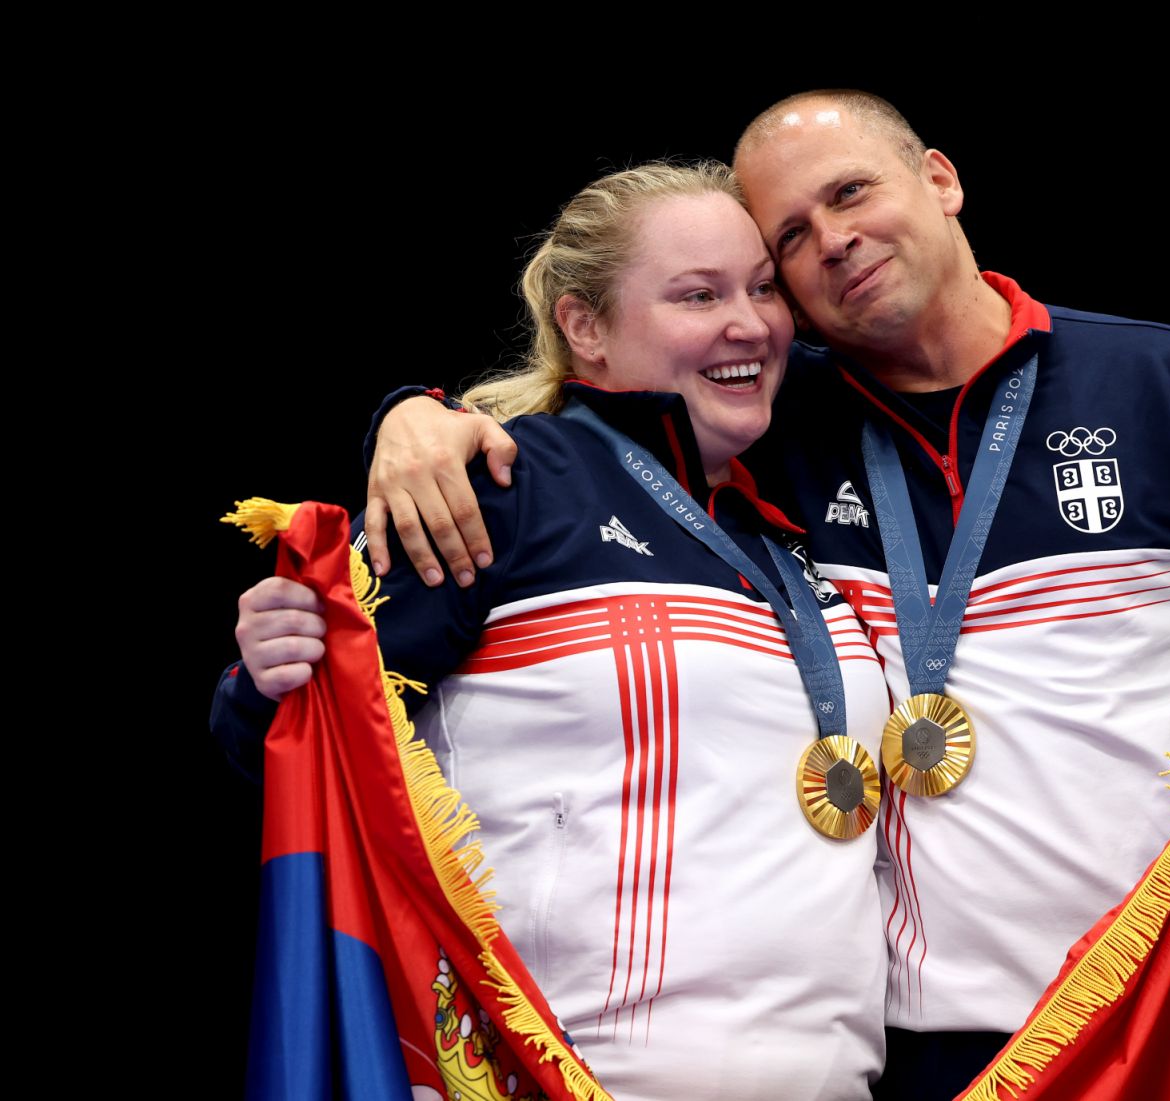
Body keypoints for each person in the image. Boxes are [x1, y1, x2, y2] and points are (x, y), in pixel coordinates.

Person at [360, 91, 1170, 1097]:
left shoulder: (1162, 382)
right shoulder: (778, 417)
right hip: (904, 1049)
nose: (832, 241)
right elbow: (595, 428)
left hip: (1154, 1005)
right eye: (790, 238)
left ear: (941, 179)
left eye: (851, 193)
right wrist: (413, 416)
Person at [213, 161, 892, 1101]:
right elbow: (312, 740)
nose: (750, 323)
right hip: (561, 1074)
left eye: (763, 288)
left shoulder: (790, 512)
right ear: (584, 326)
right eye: (698, 295)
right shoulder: (501, 485)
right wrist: (268, 673)